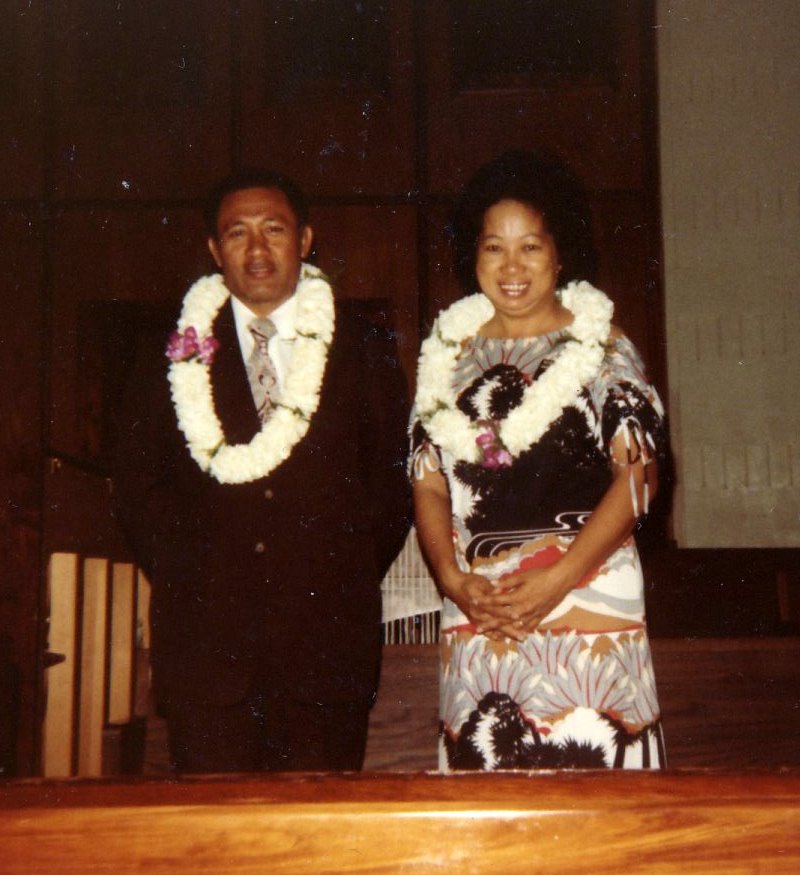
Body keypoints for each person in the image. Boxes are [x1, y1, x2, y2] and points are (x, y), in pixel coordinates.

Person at [113, 168, 411, 773]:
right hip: (206, 656)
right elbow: (139, 489)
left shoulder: (363, 346)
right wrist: (194, 571)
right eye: (237, 233)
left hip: (324, 652)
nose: (256, 249)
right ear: (214, 250)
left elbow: (391, 485)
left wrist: (333, 569)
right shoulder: (169, 349)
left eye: (273, 229)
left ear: (304, 240)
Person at [410, 150, 668, 771]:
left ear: (560, 254)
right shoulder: (446, 355)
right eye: (494, 247)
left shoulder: (603, 346)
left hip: (588, 596)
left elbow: (639, 477)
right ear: (473, 258)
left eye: (530, 246)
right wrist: (452, 581)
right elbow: (428, 479)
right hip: (482, 606)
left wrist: (559, 578)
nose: (512, 265)